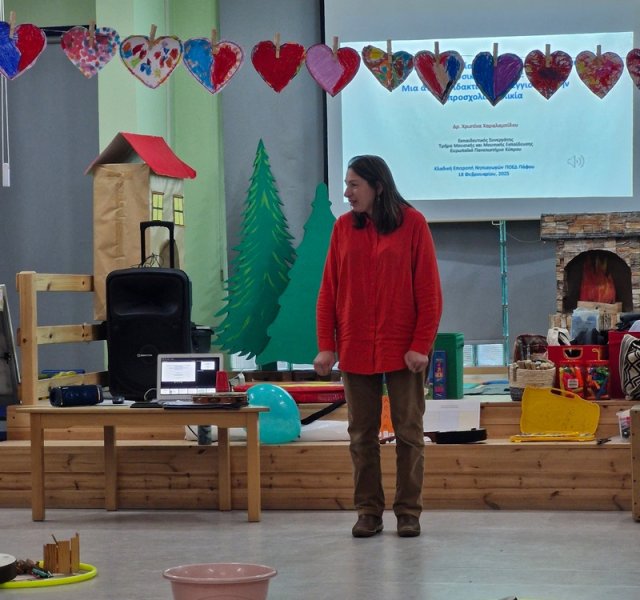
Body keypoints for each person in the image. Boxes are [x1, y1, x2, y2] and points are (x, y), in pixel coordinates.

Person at [313, 155, 442, 538]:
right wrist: (326, 346)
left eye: (354, 184)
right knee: (361, 436)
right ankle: (368, 511)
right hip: (355, 347)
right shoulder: (342, 228)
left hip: (404, 350)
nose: (347, 192)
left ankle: (408, 512)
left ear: (378, 187)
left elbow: (430, 292)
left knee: (409, 433)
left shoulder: (413, 223)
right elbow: (329, 291)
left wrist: (421, 345)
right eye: (347, 184)